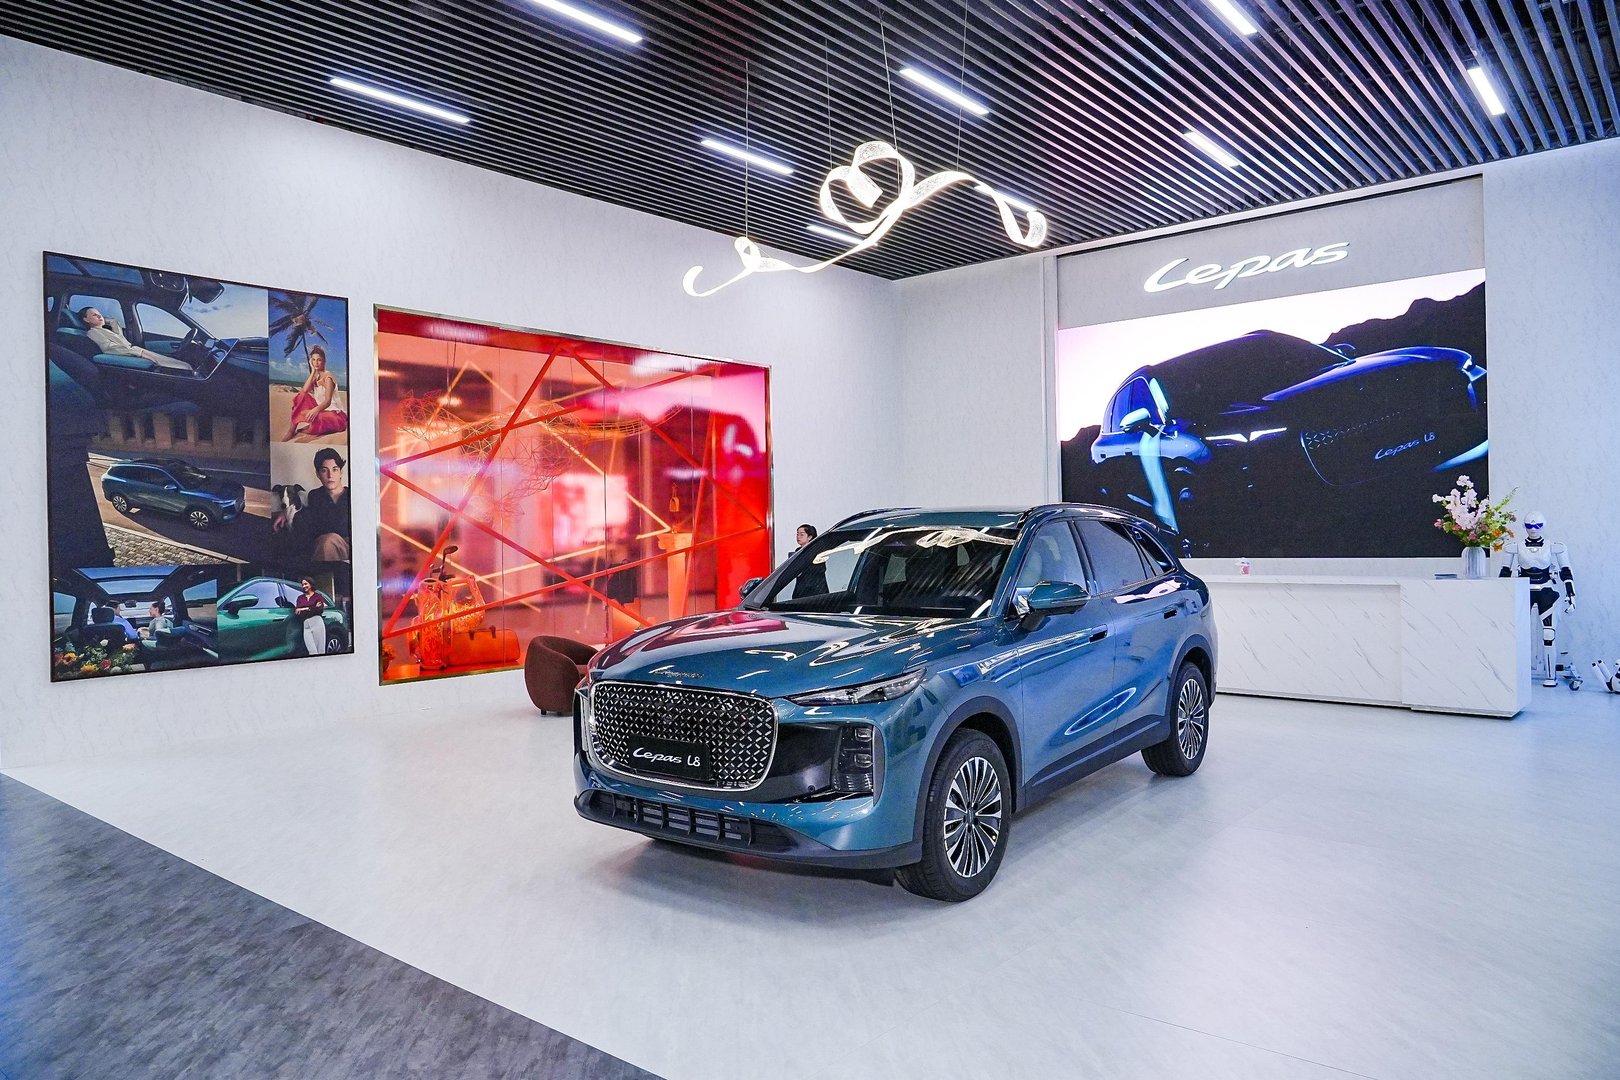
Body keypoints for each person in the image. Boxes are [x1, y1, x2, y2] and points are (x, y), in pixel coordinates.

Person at [77, 308, 192, 372]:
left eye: (100, 314)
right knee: (183, 367)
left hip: (135, 351)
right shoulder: (93, 332)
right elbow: (109, 348)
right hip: (134, 353)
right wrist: (140, 353)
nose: (99, 316)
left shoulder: (105, 330)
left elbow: (119, 336)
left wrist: (109, 320)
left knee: (183, 365)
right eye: (94, 315)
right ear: (86, 320)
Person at [293, 447, 351, 561]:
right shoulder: (315, 496)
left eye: (335, 470)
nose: (330, 475)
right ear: (318, 474)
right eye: (324, 470)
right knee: (326, 542)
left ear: (341, 472)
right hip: (323, 545)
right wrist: (285, 513)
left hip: (348, 547)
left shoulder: (352, 495)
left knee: (328, 541)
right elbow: (308, 521)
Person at [284, 345, 348, 438]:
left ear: (324, 361)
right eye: (313, 360)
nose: (316, 363)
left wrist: (315, 410)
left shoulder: (328, 377)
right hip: (322, 411)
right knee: (301, 396)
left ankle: (311, 429)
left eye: (319, 360)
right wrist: (313, 371)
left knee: (317, 417)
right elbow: (304, 391)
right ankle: (291, 431)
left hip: (335, 415)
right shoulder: (316, 378)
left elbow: (327, 401)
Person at [294, 577, 328, 656]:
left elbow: (319, 610)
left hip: (317, 623)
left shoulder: (318, 596)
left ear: (311, 584)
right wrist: (313, 608)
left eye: (306, 584)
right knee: (312, 651)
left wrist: (304, 609)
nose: (304, 586)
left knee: (320, 651)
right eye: (302, 584)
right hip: (306, 626)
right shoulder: (300, 598)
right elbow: (297, 612)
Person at [792, 523, 828, 596]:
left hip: (815, 588)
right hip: (801, 588)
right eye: (797, 534)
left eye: (801, 535)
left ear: (809, 537)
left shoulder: (817, 550)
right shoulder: (797, 551)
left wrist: (801, 570)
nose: (798, 537)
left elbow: (821, 569)